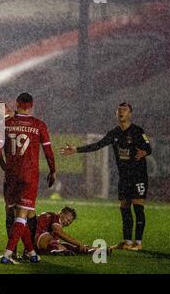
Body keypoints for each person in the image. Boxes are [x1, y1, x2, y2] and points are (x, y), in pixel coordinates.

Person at [60, 102, 151, 251]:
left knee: (138, 207)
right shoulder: (114, 133)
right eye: (119, 109)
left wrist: (144, 152)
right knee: (124, 207)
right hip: (124, 177)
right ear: (116, 114)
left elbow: (148, 148)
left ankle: (138, 243)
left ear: (130, 114)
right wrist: (76, 150)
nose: (121, 111)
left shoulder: (137, 131)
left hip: (138, 175)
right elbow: (98, 145)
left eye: (124, 110)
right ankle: (127, 242)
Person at [0, 92, 56, 264]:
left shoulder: (5, 124)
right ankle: (7, 254)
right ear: (32, 105)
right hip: (29, 175)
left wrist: (6, 168)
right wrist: (53, 170)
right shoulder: (39, 125)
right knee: (23, 215)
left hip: (11, 176)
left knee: (20, 214)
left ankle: (31, 253)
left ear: (17, 104)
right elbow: (48, 152)